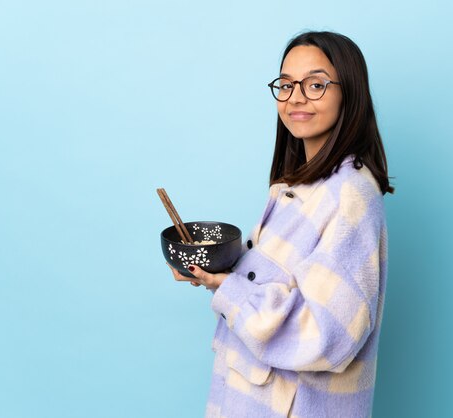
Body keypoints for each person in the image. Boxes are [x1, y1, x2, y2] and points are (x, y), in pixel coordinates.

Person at [168, 30, 394, 418]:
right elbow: (281, 282)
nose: (296, 98)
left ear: (350, 93)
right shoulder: (296, 185)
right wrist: (218, 269)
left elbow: (327, 335)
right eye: (286, 85)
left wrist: (230, 290)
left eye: (316, 84)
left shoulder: (350, 197)